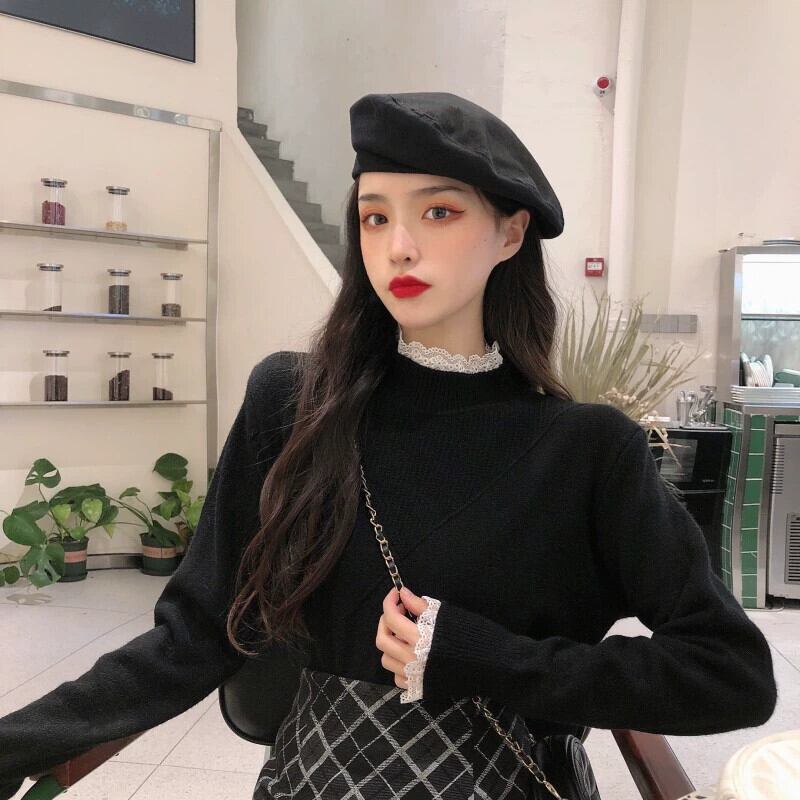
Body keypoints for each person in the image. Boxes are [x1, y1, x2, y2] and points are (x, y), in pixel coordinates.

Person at [0, 91, 777, 800]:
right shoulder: (294, 405)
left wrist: (491, 660)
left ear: (511, 232)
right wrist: (21, 740)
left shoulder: (586, 451)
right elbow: (196, 634)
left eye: (438, 212)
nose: (399, 246)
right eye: (375, 217)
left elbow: (729, 673)